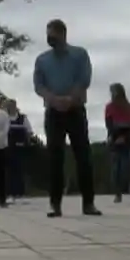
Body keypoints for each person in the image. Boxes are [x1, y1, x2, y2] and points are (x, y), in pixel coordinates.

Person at [33, 19, 101, 218]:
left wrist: (71, 98)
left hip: (76, 110)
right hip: (53, 112)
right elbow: (38, 85)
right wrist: (53, 99)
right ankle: (55, 204)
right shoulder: (42, 60)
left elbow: (84, 79)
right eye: (47, 35)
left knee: (83, 156)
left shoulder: (79, 54)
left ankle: (88, 203)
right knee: (55, 158)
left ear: (63, 34)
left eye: (52, 35)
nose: (49, 39)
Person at [104, 84, 130, 203]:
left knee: (129, 167)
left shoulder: (129, 107)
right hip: (114, 139)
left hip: (127, 138)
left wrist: (125, 137)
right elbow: (109, 124)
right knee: (116, 168)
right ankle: (118, 194)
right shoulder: (109, 107)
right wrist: (116, 137)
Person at [5, 98, 32, 202]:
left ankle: (20, 194)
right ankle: (9, 194)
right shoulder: (4, 118)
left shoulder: (23, 118)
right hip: (7, 148)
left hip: (20, 148)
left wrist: (26, 143)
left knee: (20, 170)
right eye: (9, 106)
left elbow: (28, 131)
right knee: (9, 171)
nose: (11, 107)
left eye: (13, 105)